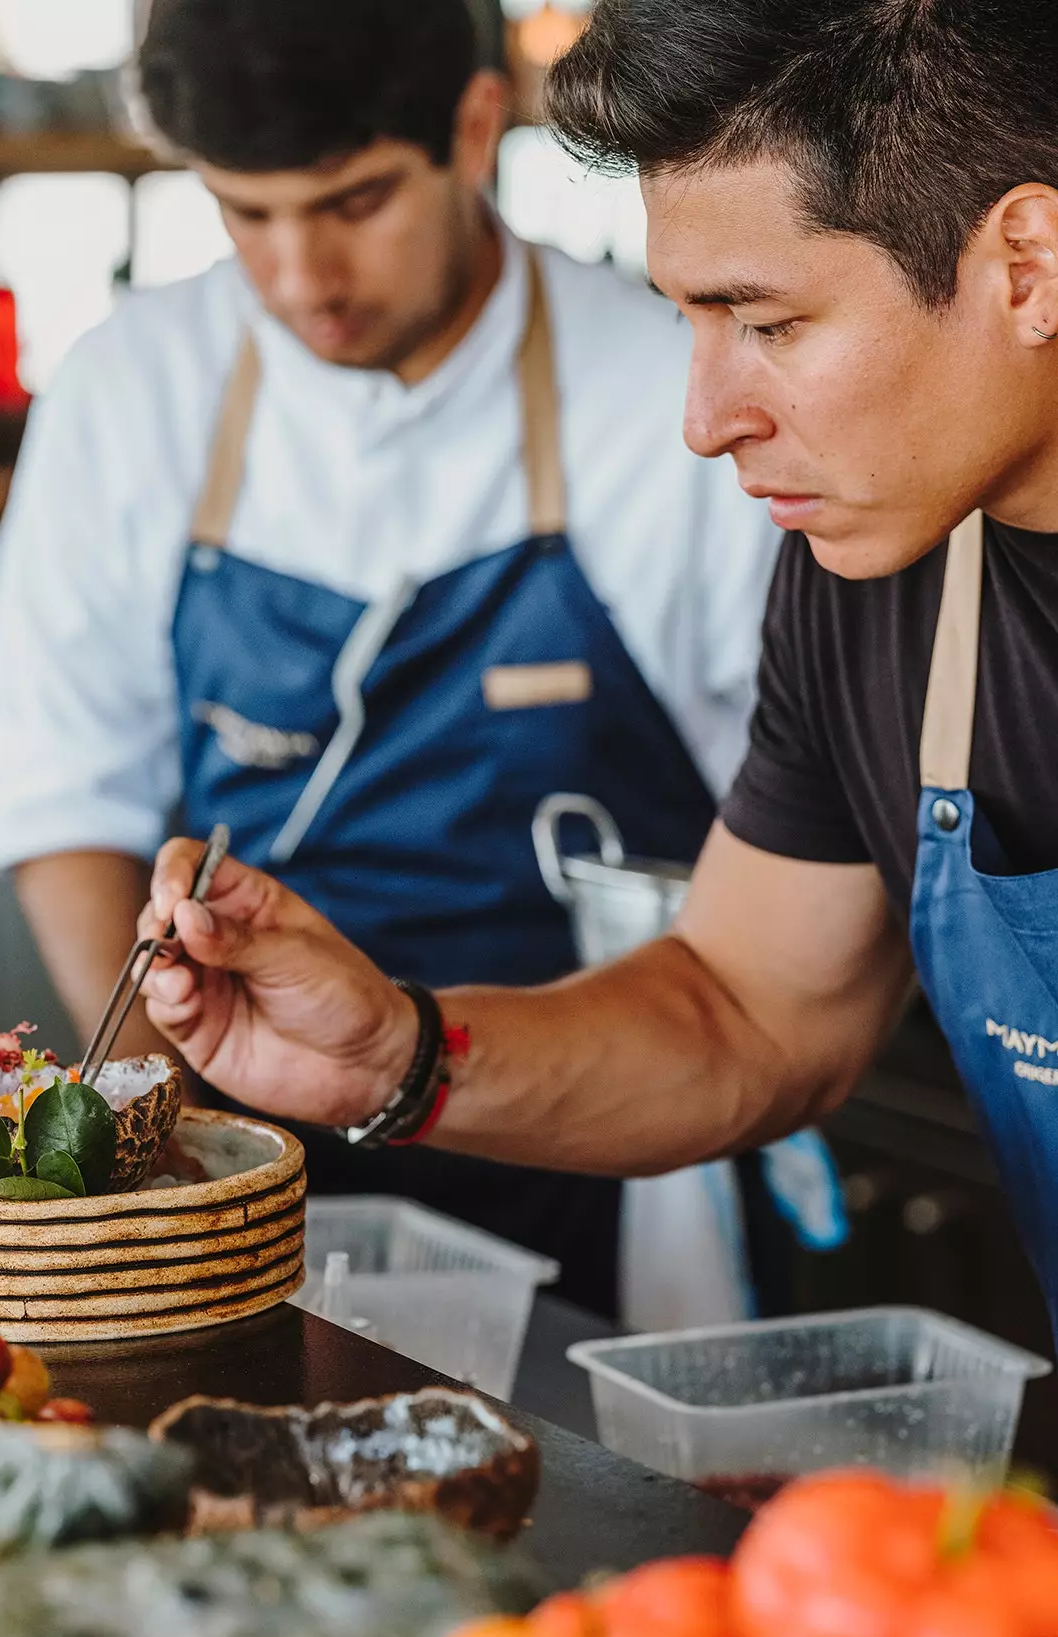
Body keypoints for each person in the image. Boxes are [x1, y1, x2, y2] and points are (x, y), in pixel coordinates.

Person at [135, 0, 1058, 1334]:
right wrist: (394, 1053)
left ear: (1027, 265)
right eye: (686, 318)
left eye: (771, 325)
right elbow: (751, 1012)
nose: (704, 422)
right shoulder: (878, 576)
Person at [0, 0, 780, 1316]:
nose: (300, 279)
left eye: (351, 205)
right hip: (242, 1157)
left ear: (471, 129)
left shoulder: (663, 396)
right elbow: (63, 796)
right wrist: (165, 1138)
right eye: (247, 216)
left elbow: (788, 833)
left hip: (603, 1146)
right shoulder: (131, 389)